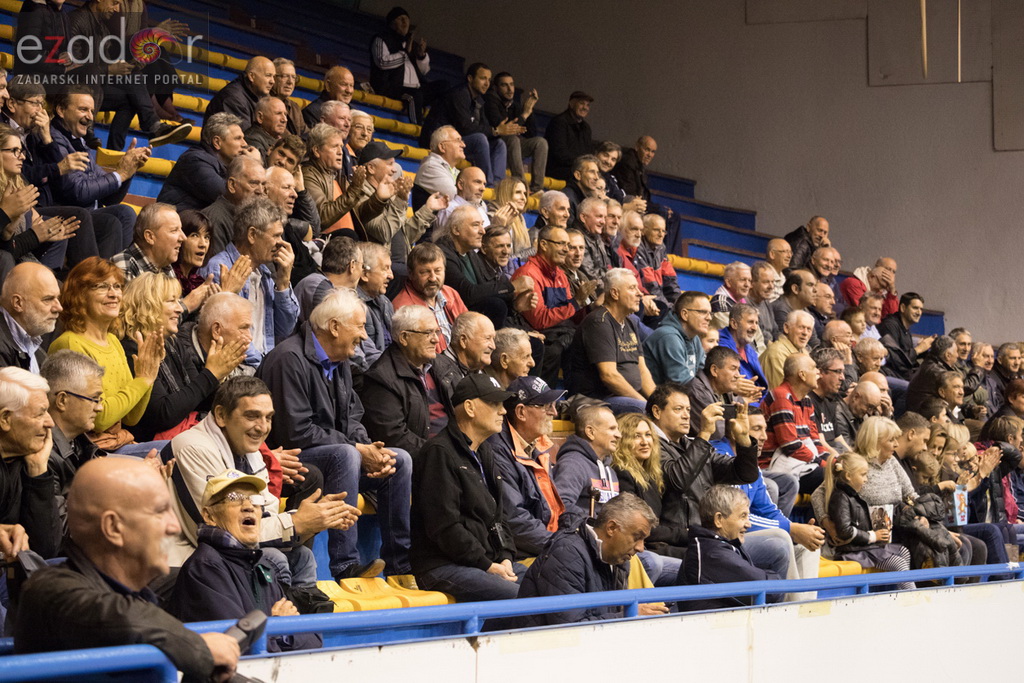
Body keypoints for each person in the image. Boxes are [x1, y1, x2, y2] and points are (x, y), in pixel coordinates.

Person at [12, 458, 240, 681]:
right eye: (160, 512)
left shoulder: (139, 596)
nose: (174, 527)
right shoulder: (50, 589)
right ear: (113, 527)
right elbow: (120, 617)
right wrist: (198, 647)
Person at [258, 289, 412, 578]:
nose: (365, 336)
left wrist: (369, 450)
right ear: (334, 326)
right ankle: (345, 564)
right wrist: (356, 448)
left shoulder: (340, 362)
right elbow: (295, 432)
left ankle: (400, 565)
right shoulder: (288, 359)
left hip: (334, 455)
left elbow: (353, 416)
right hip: (292, 462)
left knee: (398, 460)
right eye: (360, 327)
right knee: (346, 454)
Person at [168, 470, 321, 652]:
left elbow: (315, 641)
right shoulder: (205, 567)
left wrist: (278, 631)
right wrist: (280, 628)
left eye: (256, 500)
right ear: (209, 516)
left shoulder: (264, 566)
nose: (249, 506)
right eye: (234, 498)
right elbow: (239, 647)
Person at [411, 373, 523, 601]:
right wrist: (487, 565)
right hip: (442, 566)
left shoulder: (485, 452)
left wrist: (505, 557)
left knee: (549, 587)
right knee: (520, 598)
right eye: (494, 404)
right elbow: (444, 526)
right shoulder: (439, 452)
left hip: (484, 563)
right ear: (470, 408)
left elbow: (499, 518)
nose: (503, 411)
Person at [48, 257, 164, 453]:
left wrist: (149, 375)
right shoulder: (70, 343)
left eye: (117, 286)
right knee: (176, 452)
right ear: (80, 295)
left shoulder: (113, 341)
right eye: (102, 287)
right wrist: (142, 381)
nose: (114, 294)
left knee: (183, 449)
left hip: (116, 444)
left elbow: (131, 418)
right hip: (88, 453)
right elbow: (99, 419)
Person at [517, 493, 668, 625]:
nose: (641, 548)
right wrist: (629, 615)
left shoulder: (619, 558)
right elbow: (571, 627)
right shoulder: (566, 554)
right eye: (637, 537)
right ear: (611, 528)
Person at [129, 289, 250, 443]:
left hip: (186, 435)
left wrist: (219, 375)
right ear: (148, 305)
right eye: (171, 301)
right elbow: (163, 414)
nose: (180, 308)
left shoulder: (174, 342)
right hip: (154, 444)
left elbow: (200, 402)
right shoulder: (133, 348)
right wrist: (211, 374)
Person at [201, 198, 298, 365]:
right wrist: (266, 366)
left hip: (260, 365)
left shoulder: (265, 274)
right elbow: (229, 336)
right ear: (252, 235)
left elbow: (285, 329)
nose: (281, 243)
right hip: (238, 366)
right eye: (276, 235)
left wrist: (283, 282)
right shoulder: (220, 269)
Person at [487, 375, 565, 558]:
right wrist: (563, 546)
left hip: (547, 545)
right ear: (521, 412)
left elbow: (555, 509)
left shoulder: (537, 447)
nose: (554, 412)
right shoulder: (497, 451)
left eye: (554, 405)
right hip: (523, 555)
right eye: (546, 406)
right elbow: (515, 522)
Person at [359, 305, 451, 452]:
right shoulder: (381, 378)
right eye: (428, 333)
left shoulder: (442, 364)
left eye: (437, 332)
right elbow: (394, 437)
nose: (435, 340)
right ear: (404, 338)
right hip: (427, 458)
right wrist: (440, 452)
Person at [677, 485, 784, 612]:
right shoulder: (714, 554)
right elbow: (771, 590)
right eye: (743, 516)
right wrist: (773, 575)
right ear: (718, 520)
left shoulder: (716, 546)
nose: (748, 524)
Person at [820, 451, 914, 589]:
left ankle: (900, 595)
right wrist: (872, 536)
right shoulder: (840, 497)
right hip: (851, 551)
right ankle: (912, 597)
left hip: (865, 547)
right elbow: (845, 531)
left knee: (904, 551)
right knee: (898, 563)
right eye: (863, 475)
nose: (866, 479)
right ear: (848, 476)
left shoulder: (854, 495)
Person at [567, 268, 655, 414]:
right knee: (642, 409)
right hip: (597, 400)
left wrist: (656, 403)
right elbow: (609, 376)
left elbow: (642, 370)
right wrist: (646, 405)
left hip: (627, 398)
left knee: (668, 410)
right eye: (632, 288)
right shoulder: (599, 322)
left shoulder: (630, 322)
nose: (640, 293)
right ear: (615, 293)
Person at [611, 412, 686, 579]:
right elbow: (639, 527)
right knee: (696, 565)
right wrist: (684, 534)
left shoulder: (651, 475)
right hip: (642, 548)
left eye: (648, 435)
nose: (645, 442)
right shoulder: (622, 473)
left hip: (657, 544)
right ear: (623, 440)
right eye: (636, 436)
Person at [513, 225, 590, 385]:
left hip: (561, 332)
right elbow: (539, 320)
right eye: (561, 244)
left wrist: (589, 305)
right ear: (543, 245)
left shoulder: (560, 274)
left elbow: (571, 315)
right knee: (555, 350)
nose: (566, 250)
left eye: (567, 245)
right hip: (539, 335)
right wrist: (576, 302)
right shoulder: (528, 274)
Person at [437, 203, 534, 329]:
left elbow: (485, 290)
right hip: (456, 324)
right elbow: (468, 294)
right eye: (476, 225)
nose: (482, 231)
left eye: (482, 224)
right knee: (495, 304)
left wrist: (515, 306)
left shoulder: (470, 252)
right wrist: (511, 286)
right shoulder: (442, 253)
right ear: (456, 230)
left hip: (475, 321)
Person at [355, 141, 445, 272]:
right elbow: (384, 233)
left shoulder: (390, 194)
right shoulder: (360, 195)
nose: (395, 169)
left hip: (402, 263)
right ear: (371, 168)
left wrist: (428, 209)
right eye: (389, 164)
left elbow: (405, 236)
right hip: (380, 268)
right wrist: (400, 201)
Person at [0, 366, 60, 559]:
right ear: (5, 419)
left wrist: (38, 470)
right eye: (40, 413)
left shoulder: (25, 459)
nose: (50, 423)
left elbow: (46, 549)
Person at [42, 350, 104, 532]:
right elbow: (63, 531)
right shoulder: (42, 455)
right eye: (94, 399)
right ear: (62, 400)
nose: (99, 408)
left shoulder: (80, 442)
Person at [420, 63, 509, 185]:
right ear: (470, 78)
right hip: (439, 142)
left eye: (489, 80)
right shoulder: (459, 94)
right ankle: (487, 184)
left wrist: (497, 132)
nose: (487, 83)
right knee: (480, 139)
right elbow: (465, 128)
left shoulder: (479, 100)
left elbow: (482, 126)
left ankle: (498, 188)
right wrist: (495, 131)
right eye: (483, 78)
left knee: (499, 144)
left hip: (459, 142)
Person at [762, 353, 832, 493]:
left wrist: (833, 462)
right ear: (802, 375)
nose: (818, 372)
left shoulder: (807, 401)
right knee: (829, 477)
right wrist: (824, 464)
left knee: (841, 473)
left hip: (801, 463)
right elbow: (790, 446)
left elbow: (816, 442)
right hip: (773, 466)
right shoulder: (781, 397)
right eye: (814, 368)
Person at [301, 123, 385, 237]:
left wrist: (378, 199)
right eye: (334, 146)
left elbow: (359, 216)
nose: (340, 152)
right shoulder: (308, 175)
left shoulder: (338, 177)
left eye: (341, 147)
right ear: (316, 151)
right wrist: (354, 189)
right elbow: (322, 217)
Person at [158, 112, 246, 211]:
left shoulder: (224, 165)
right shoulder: (195, 161)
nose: (245, 144)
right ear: (217, 142)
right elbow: (230, 197)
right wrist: (253, 163)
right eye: (238, 138)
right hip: (177, 224)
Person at [392, 242, 468, 353]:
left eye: (438, 271)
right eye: (425, 272)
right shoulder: (403, 308)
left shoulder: (450, 293)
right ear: (411, 273)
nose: (433, 278)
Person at [485, 72, 547, 193]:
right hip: (495, 145)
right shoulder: (490, 102)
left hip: (514, 148)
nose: (510, 89)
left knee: (540, 142)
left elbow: (531, 134)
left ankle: (537, 189)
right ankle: (522, 186)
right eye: (504, 85)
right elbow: (505, 130)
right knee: (513, 139)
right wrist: (524, 114)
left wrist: (529, 111)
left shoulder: (515, 105)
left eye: (512, 85)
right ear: (496, 88)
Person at [370, 7, 431, 122]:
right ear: (392, 22)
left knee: (443, 88)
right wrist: (405, 53)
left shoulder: (411, 44)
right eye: (401, 19)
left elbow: (423, 71)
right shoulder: (381, 39)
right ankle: (416, 131)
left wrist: (421, 56)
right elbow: (382, 62)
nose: (405, 23)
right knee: (415, 95)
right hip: (393, 88)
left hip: (416, 88)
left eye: (407, 19)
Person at [202, 155, 268, 257]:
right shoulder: (214, 218)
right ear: (232, 185)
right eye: (254, 183)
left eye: (263, 184)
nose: (260, 191)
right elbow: (216, 268)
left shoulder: (255, 217)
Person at [0, 262, 61, 372]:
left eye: (57, 298)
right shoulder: (2, 346)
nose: (59, 308)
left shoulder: (32, 344)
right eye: (48, 299)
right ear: (18, 303)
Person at [644, 291, 710, 386]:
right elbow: (681, 383)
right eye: (703, 312)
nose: (709, 318)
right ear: (684, 314)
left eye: (709, 313)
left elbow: (705, 375)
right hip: (656, 399)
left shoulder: (694, 338)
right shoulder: (668, 337)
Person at [204, 56, 276, 131]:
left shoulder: (259, 94)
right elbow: (246, 138)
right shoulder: (233, 98)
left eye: (273, 77)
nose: (272, 81)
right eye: (268, 75)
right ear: (251, 76)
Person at [878, 292, 935, 382]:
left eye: (921, 309)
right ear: (903, 308)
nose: (919, 312)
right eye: (915, 308)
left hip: (904, 376)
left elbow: (906, 357)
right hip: (889, 376)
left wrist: (925, 349)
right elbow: (895, 361)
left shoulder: (906, 329)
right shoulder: (890, 325)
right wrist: (918, 349)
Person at [357, 241, 396, 370]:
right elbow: (366, 357)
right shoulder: (353, 307)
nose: (391, 275)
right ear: (364, 274)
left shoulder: (385, 302)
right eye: (385, 268)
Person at [718, 303, 768, 401]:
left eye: (756, 323)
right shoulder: (719, 345)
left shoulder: (750, 350)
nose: (754, 328)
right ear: (734, 324)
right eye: (750, 322)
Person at [634, 213, 681, 312]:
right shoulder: (638, 247)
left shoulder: (661, 247)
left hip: (660, 300)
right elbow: (651, 287)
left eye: (663, 231)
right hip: (645, 301)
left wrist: (680, 305)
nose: (661, 234)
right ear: (644, 230)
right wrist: (670, 309)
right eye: (656, 230)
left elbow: (671, 281)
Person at [544, 91, 594, 181]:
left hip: (579, 169)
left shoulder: (586, 128)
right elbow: (559, 154)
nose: (585, 108)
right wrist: (582, 165)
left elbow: (588, 153)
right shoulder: (558, 122)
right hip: (559, 170)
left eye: (588, 105)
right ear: (571, 104)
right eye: (582, 103)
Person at [760, 309, 814, 390]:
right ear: (786, 328)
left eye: (809, 329)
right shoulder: (777, 352)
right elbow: (784, 390)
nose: (805, 333)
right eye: (801, 327)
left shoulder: (804, 352)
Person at [413, 125, 465, 205]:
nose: (463, 145)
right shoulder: (430, 167)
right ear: (442, 147)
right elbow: (457, 197)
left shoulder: (454, 170)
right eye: (457, 140)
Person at [488, 177, 533, 265]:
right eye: (518, 192)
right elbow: (505, 258)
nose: (524, 198)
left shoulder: (520, 217)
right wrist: (533, 250)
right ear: (506, 194)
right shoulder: (493, 217)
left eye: (524, 193)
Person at [769, 269, 818, 347]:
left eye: (815, 286)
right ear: (795, 289)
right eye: (810, 285)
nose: (816, 290)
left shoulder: (805, 311)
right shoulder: (780, 309)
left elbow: (814, 344)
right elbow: (788, 343)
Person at [435, 166, 490, 231]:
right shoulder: (449, 210)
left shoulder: (481, 210)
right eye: (477, 182)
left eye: (484, 184)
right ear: (461, 184)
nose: (483, 189)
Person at [272, 57, 308, 138]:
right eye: (285, 76)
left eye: (293, 77)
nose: (290, 82)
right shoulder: (265, 104)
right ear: (273, 78)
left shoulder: (294, 107)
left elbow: (306, 134)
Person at [244, 96, 288, 161]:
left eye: (285, 114)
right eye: (278, 113)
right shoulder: (252, 139)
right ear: (260, 117)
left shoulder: (283, 138)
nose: (285, 119)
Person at [710, 261, 751, 329]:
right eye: (742, 280)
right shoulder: (720, 303)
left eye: (749, 280)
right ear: (728, 282)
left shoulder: (744, 302)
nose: (747, 285)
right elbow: (730, 333)